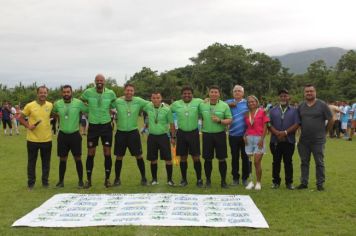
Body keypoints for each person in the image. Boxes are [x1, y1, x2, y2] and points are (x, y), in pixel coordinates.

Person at [81, 74, 117, 188]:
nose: (99, 82)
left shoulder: (111, 93)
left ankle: (107, 180)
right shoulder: (88, 92)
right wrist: (88, 109)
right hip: (93, 126)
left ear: (104, 82)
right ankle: (89, 180)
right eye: (97, 80)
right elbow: (82, 100)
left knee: (107, 153)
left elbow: (114, 104)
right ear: (94, 82)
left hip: (106, 126)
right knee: (91, 153)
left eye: (101, 80)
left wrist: (112, 111)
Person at [112, 83, 149, 186]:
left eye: (131, 91)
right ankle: (117, 179)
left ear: (134, 92)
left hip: (133, 133)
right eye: (127, 90)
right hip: (120, 133)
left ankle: (144, 178)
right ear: (124, 91)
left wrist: (163, 105)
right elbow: (107, 105)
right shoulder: (118, 101)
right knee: (119, 157)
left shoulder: (139, 101)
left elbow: (150, 104)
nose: (129, 92)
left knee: (139, 156)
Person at [297, 84, 333, 191]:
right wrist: (298, 134)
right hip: (303, 140)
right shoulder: (301, 105)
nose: (309, 93)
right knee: (304, 162)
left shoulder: (322, 105)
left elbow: (331, 119)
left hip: (318, 140)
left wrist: (325, 131)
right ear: (304, 93)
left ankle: (320, 184)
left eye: (311, 91)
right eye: (307, 91)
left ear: (315, 92)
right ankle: (304, 183)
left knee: (319, 162)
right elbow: (298, 122)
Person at [53, 85, 88, 188]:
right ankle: (61, 181)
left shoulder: (78, 103)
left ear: (71, 92)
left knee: (78, 158)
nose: (66, 94)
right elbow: (54, 114)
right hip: (62, 135)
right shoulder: (57, 104)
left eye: (68, 92)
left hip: (75, 135)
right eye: (64, 92)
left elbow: (88, 110)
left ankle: (81, 181)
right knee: (62, 159)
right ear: (61, 93)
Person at [18, 86, 53, 190]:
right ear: (37, 94)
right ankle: (31, 184)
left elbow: (55, 115)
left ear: (47, 94)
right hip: (32, 140)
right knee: (32, 162)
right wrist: (28, 126)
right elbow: (20, 118)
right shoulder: (30, 105)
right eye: (41, 93)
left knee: (46, 163)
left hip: (47, 140)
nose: (43, 94)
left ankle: (45, 183)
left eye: (45, 93)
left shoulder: (50, 105)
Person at [199, 85, 232, 188]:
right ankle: (208, 181)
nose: (213, 94)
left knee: (222, 158)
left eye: (215, 92)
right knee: (207, 159)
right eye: (212, 92)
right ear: (209, 93)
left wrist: (220, 120)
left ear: (219, 94)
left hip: (220, 134)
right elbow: (197, 114)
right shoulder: (202, 104)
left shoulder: (224, 105)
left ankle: (223, 181)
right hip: (207, 135)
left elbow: (230, 120)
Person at [170, 86, 204, 187]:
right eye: (185, 93)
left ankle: (199, 179)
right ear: (181, 95)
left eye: (189, 93)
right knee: (183, 157)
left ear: (192, 94)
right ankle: (184, 179)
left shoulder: (198, 101)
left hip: (194, 133)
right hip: (181, 133)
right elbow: (166, 110)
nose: (187, 95)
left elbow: (209, 102)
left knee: (196, 157)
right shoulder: (176, 104)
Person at [268, 89, 300, 190]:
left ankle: (289, 183)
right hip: (275, 140)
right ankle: (276, 182)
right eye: (281, 96)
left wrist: (285, 132)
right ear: (278, 98)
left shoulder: (294, 110)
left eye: (285, 96)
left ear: (289, 97)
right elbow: (268, 123)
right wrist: (276, 132)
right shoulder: (272, 110)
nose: (283, 98)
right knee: (276, 161)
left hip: (289, 140)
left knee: (288, 162)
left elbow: (297, 124)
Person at [143, 92, 176, 186]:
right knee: (153, 159)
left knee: (168, 159)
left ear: (161, 98)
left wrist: (173, 137)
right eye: (153, 98)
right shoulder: (148, 107)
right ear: (151, 99)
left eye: (158, 98)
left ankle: (169, 180)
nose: (156, 100)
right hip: (152, 136)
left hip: (163, 136)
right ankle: (154, 179)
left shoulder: (167, 109)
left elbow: (172, 124)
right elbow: (138, 102)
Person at [244, 95, 270, 190]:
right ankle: (251, 181)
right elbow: (247, 127)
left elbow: (265, 127)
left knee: (257, 161)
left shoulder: (262, 112)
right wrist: (244, 136)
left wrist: (262, 139)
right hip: (249, 139)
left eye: (253, 101)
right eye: (249, 102)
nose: (251, 103)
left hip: (259, 138)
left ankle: (258, 182)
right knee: (249, 162)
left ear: (256, 102)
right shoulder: (247, 114)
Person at [225, 85, 249, 186]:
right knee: (234, 157)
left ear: (243, 93)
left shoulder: (248, 103)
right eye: (235, 91)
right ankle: (235, 178)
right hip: (233, 135)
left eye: (239, 91)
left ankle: (245, 178)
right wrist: (230, 105)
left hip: (245, 135)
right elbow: (216, 104)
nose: (237, 92)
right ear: (233, 93)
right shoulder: (227, 102)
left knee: (245, 157)